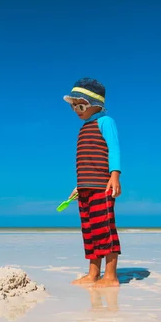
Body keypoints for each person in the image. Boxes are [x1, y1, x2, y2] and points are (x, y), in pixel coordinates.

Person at [63, 78, 122, 287]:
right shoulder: (84, 129)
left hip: (101, 187)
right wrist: (79, 185)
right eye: (74, 107)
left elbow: (114, 149)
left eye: (81, 105)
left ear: (96, 104)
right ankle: (93, 273)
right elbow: (86, 162)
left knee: (104, 229)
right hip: (86, 188)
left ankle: (111, 275)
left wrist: (115, 175)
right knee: (89, 232)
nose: (77, 110)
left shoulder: (106, 122)